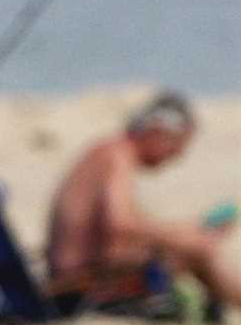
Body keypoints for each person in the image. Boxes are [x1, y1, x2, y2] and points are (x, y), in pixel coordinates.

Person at [45, 91, 241, 313]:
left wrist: (187, 230)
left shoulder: (107, 152)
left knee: (194, 245)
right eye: (177, 144)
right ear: (157, 130)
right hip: (78, 284)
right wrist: (185, 235)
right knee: (203, 249)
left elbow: (119, 232)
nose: (178, 155)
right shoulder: (117, 154)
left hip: (77, 274)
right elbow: (121, 224)